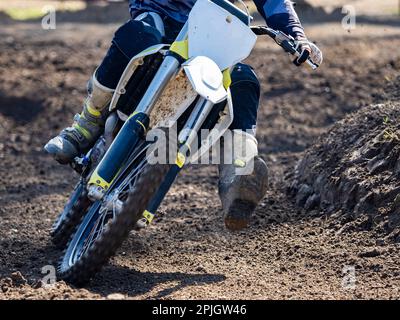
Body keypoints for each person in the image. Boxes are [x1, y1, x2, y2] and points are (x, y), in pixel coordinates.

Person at [45, 0, 322, 231]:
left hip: (216, 34)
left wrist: (296, 36)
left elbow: (274, 2)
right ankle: (88, 122)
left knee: (244, 81)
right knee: (137, 35)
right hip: (162, 17)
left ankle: (240, 172)